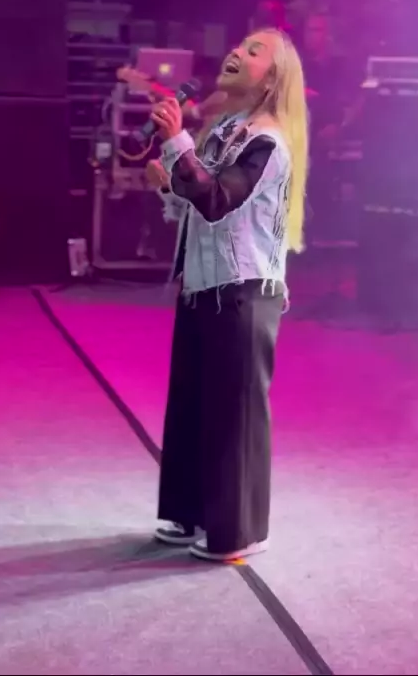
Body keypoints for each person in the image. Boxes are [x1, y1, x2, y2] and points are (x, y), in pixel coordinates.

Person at [146, 28, 308, 561]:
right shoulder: (225, 130)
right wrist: (167, 182)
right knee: (192, 407)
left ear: (272, 78)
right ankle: (192, 514)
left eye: (254, 51)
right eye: (240, 45)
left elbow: (218, 201)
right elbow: (195, 203)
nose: (238, 51)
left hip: (242, 292)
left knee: (235, 416)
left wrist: (176, 142)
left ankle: (237, 532)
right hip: (203, 288)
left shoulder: (269, 143)